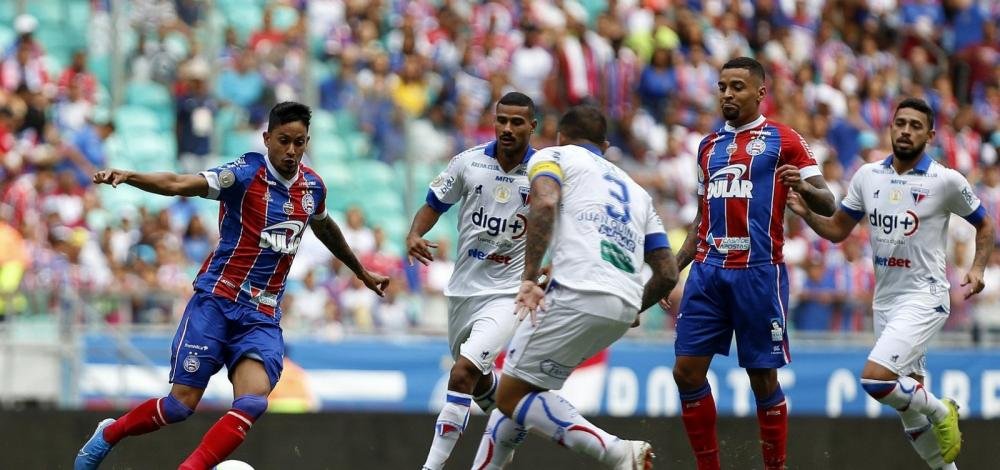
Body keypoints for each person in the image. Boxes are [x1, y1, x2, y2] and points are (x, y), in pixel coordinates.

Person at [74, 102, 389, 470]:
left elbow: (324, 226)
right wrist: (130, 176)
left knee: (253, 401)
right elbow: (181, 183)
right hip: (217, 300)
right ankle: (109, 434)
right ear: (267, 138)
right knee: (179, 406)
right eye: (284, 141)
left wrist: (360, 271)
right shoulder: (244, 173)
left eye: (299, 143)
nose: (291, 151)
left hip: (261, 314)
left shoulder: (312, 187)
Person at [787, 97, 994, 469]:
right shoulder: (868, 176)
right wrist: (806, 215)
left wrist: (978, 268)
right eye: (900, 123)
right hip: (885, 302)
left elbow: (985, 223)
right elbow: (837, 230)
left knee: (875, 381)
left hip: (925, 296)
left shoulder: (945, 180)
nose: (905, 130)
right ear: (890, 127)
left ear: (929, 135)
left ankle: (941, 408)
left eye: (915, 125)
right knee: (908, 411)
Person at [471, 105, 679, 469]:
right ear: (605, 144)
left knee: (511, 393)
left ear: (560, 136)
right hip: (621, 304)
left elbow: (546, 201)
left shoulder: (553, 156)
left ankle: (617, 452)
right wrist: (633, 307)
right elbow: (667, 272)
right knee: (523, 392)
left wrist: (528, 279)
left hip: (576, 292)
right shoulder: (636, 190)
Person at [669, 57, 836, 470]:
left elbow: (828, 202)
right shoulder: (708, 146)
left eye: (738, 86)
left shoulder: (784, 139)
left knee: (762, 379)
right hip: (708, 271)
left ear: (760, 93)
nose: (727, 93)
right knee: (686, 373)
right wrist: (672, 269)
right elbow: (700, 217)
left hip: (759, 272)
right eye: (723, 86)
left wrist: (803, 186)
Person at [406, 91, 538, 470]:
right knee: (478, 381)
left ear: (533, 126)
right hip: (463, 290)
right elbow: (433, 204)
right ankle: (512, 415)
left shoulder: (544, 173)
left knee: (462, 372)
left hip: (508, 294)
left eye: (517, 122)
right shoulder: (468, 163)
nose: (507, 129)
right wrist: (415, 234)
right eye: (502, 121)